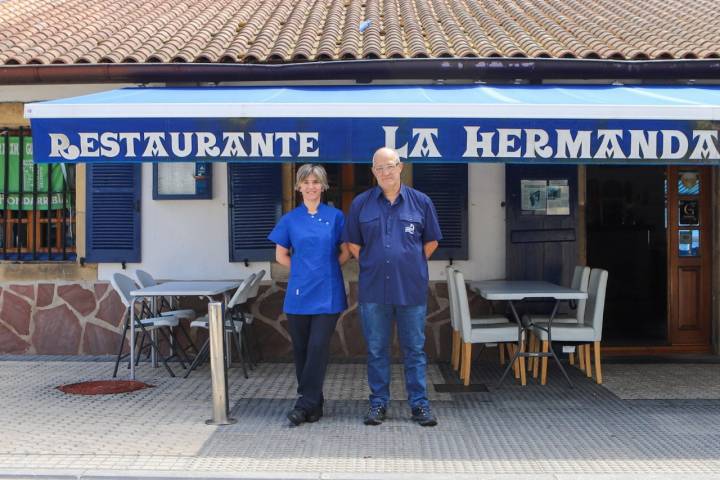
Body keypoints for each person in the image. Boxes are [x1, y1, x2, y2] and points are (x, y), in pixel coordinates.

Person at [343, 147, 442, 427]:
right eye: (379, 168)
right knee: (376, 349)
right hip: (374, 289)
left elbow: (431, 241)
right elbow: (352, 243)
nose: (385, 172)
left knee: (415, 349)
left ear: (400, 167)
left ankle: (420, 405)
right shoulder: (362, 204)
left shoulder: (421, 202)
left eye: (390, 166)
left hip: (410, 289)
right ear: (373, 172)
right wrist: (376, 263)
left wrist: (408, 263)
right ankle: (378, 404)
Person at [268, 164, 349, 426]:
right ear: (299, 186)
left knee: (317, 348)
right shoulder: (290, 219)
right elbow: (280, 255)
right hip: (299, 294)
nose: (312, 187)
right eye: (307, 182)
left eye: (317, 182)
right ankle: (315, 404)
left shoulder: (335, 217)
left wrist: (326, 270)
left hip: (328, 292)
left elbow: (346, 251)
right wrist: (303, 269)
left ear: (324, 186)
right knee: (301, 350)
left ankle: (303, 404)